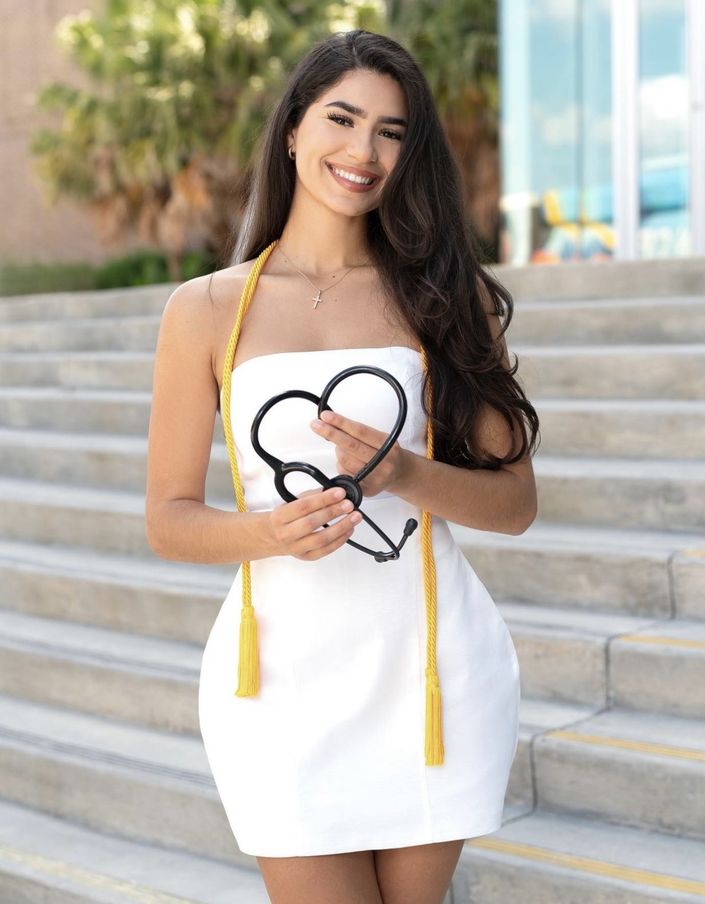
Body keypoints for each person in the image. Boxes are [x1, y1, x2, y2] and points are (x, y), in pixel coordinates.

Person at [145, 28, 539, 904]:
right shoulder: (204, 310)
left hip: (432, 681)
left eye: (392, 132)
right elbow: (169, 517)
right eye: (342, 118)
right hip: (277, 690)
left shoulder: (442, 296)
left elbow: (514, 505)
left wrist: (402, 472)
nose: (363, 151)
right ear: (293, 129)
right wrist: (265, 531)